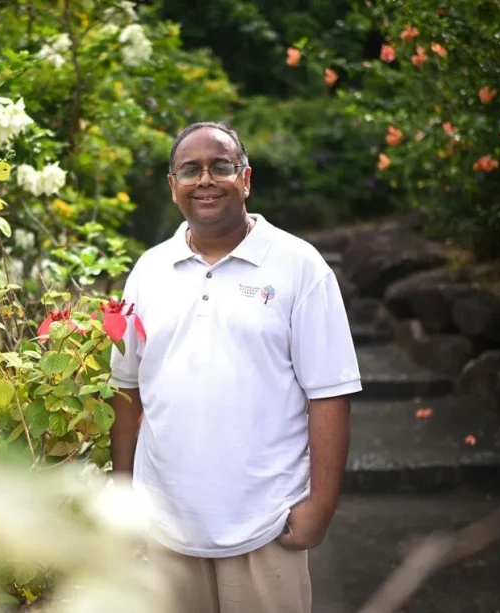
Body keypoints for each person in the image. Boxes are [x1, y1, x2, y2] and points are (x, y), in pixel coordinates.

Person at [108, 121, 361, 613]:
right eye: (190, 169)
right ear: (173, 186)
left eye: (220, 167)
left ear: (245, 179)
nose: (205, 179)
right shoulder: (148, 271)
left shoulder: (300, 267)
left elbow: (329, 394)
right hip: (165, 523)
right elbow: (127, 390)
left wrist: (320, 507)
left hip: (267, 524)